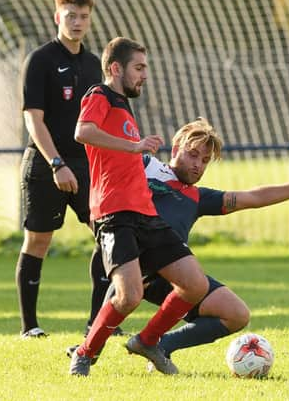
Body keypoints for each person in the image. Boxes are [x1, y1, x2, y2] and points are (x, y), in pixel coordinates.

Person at [69, 118, 289, 369]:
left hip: (174, 276)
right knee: (122, 295)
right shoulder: (144, 165)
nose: (198, 165)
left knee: (237, 314)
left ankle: (158, 345)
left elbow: (252, 197)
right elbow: (106, 170)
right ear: (175, 149)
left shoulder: (198, 197)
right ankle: (89, 348)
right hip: (134, 262)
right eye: (193, 155)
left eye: (205, 160)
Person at [68, 37, 211, 377]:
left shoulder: (123, 104)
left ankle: (148, 341)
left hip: (145, 212)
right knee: (129, 296)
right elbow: (83, 131)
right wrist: (134, 146)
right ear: (115, 68)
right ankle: (86, 352)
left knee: (195, 285)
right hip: (114, 212)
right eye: (139, 67)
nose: (144, 75)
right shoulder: (98, 95)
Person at [16, 0, 104, 339]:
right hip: (45, 165)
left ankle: (98, 323)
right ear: (58, 17)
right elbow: (33, 119)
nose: (78, 22)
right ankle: (30, 327)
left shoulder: (93, 63)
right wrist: (56, 163)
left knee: (108, 237)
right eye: (71, 15)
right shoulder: (40, 60)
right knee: (38, 241)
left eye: (83, 16)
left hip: (85, 165)